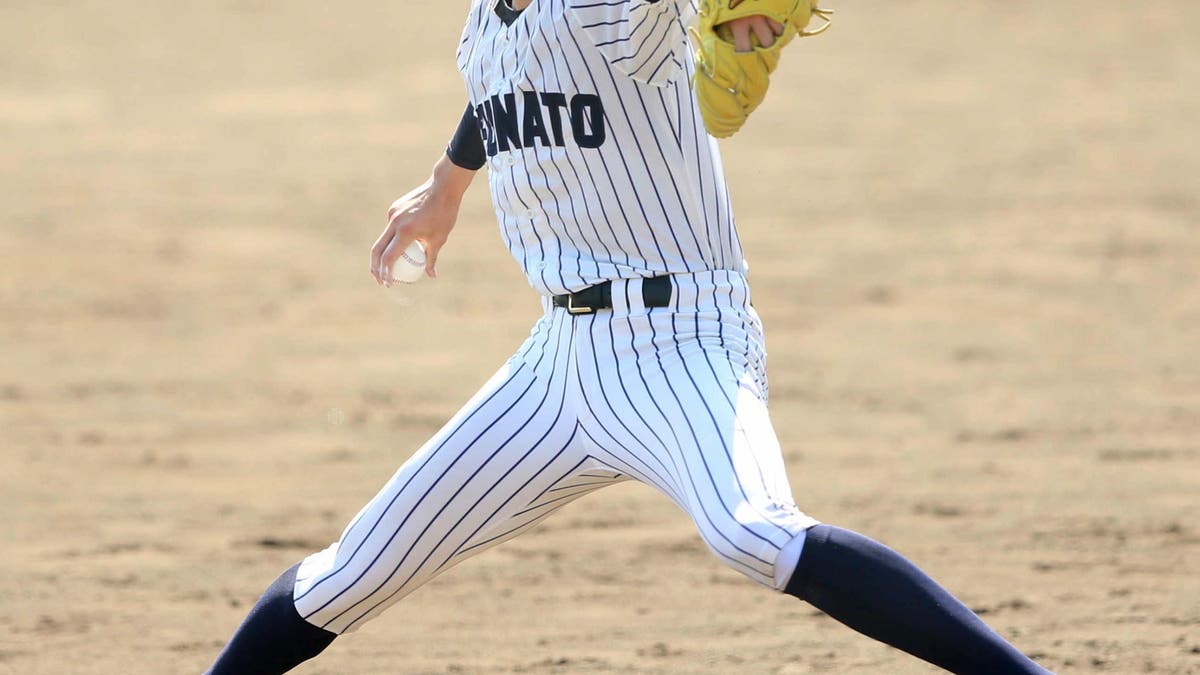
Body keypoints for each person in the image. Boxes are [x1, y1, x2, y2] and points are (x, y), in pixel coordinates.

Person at [206, 0, 1051, 672]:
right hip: (554, 367)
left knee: (754, 531)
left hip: (682, 338)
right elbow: (499, 87)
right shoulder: (482, 25)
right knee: (350, 575)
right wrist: (446, 186)